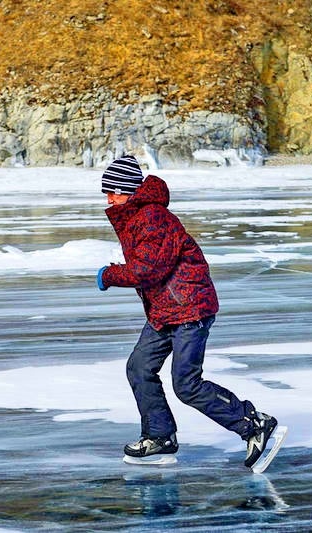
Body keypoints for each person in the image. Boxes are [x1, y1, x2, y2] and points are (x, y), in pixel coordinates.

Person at [96, 155, 278, 468]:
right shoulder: (134, 217)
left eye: (113, 191)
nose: (109, 198)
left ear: (128, 190)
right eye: (106, 192)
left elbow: (146, 270)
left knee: (187, 384)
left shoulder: (152, 217)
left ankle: (252, 423)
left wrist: (109, 275)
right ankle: (160, 437)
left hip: (189, 310)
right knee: (139, 368)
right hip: (166, 311)